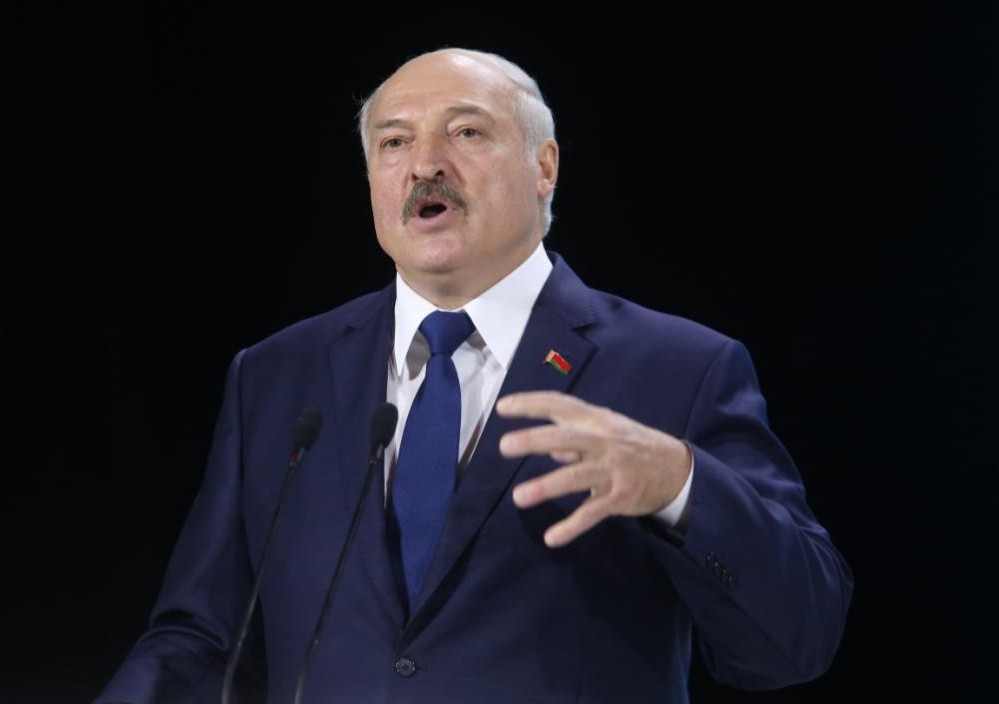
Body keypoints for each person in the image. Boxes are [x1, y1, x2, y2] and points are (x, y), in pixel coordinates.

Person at [96, 48, 853, 704]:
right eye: (395, 142)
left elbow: (799, 638)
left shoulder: (677, 367)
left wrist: (679, 485)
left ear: (544, 167)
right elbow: (201, 639)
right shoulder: (276, 376)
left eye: (466, 131)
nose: (425, 163)